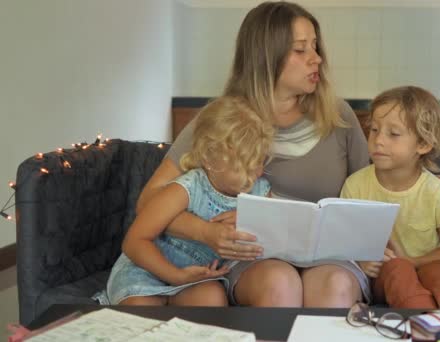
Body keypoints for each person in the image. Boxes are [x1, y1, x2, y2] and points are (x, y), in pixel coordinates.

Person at [138, 1, 372, 307]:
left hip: (326, 255)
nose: (316, 59)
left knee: (337, 286)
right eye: (300, 50)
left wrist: (431, 176)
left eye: (315, 47)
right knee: (279, 284)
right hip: (255, 258)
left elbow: (371, 189)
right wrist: (206, 232)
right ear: (266, 58)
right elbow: (148, 200)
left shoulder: (338, 116)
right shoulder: (223, 121)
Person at [105, 96, 273, 306]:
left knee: (211, 300)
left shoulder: (259, 191)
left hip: (197, 278)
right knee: (142, 310)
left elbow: (275, 236)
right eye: (244, 166)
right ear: (210, 158)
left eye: (259, 162)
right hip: (146, 271)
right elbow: (134, 241)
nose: (256, 173)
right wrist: (176, 275)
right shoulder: (187, 188)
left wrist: (253, 218)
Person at [341, 86, 440, 309]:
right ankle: (423, 319)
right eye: (374, 130)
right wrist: (360, 261)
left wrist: (415, 262)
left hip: (430, 269)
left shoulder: (434, 190)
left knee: (438, 272)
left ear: (423, 144)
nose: (379, 140)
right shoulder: (355, 186)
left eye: (393, 134)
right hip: (386, 278)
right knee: (398, 269)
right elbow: (342, 241)